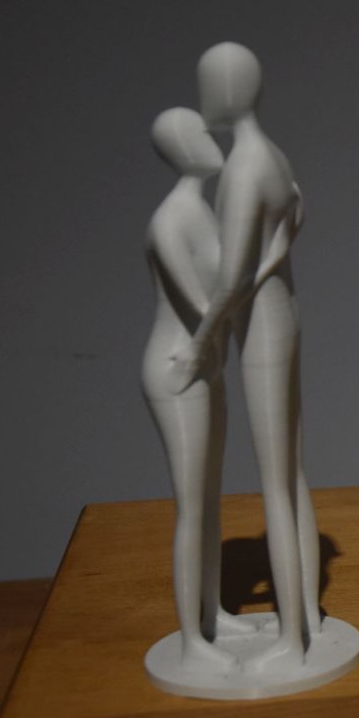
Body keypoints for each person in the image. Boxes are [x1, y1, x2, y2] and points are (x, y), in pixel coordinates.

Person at [172, 43, 320, 672]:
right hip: (283, 312)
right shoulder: (274, 156)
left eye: (207, 83)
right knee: (291, 473)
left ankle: (291, 639)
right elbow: (297, 215)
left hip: (259, 327)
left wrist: (201, 338)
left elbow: (232, 274)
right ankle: (308, 617)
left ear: (230, 89)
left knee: (274, 484)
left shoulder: (241, 167)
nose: (203, 96)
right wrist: (269, 262)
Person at [142, 106, 254, 671]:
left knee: (211, 499)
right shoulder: (171, 220)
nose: (212, 140)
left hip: (206, 367)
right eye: (200, 133)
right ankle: (191, 639)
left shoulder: (202, 212)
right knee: (192, 506)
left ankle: (214, 613)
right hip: (177, 370)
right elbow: (205, 302)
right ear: (183, 146)